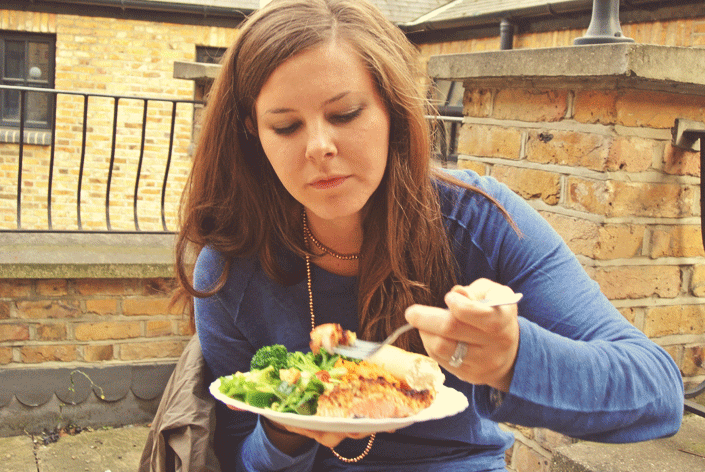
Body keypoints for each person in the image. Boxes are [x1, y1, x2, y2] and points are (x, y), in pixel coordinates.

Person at [174, 0, 684, 470]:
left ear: (393, 110)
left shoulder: (480, 221)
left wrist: (512, 359)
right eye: (285, 126)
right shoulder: (229, 266)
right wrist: (284, 427)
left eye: (345, 114)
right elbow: (236, 455)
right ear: (252, 132)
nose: (319, 146)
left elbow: (657, 393)